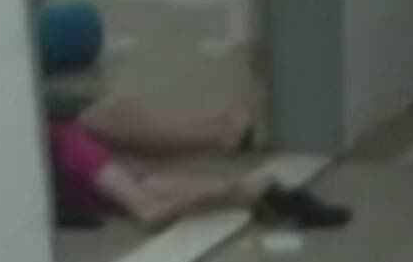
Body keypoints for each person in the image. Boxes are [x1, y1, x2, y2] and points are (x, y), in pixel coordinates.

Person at [45, 89, 350, 232]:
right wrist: (232, 192)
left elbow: (148, 192)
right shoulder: (77, 150)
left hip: (64, 161)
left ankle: (221, 136)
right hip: (62, 156)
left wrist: (238, 192)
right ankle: (221, 136)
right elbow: (148, 208)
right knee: (132, 170)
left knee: (138, 175)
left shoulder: (81, 155)